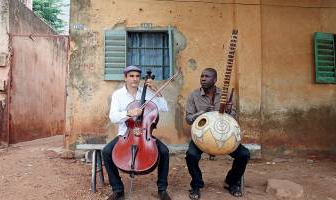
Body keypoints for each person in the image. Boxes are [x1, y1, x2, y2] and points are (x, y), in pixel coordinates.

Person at [103, 65, 171, 200]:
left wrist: (155, 89)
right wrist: (129, 113)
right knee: (106, 152)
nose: (135, 79)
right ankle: (117, 189)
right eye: (131, 76)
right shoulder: (118, 95)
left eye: (137, 76)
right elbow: (113, 117)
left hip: (146, 134)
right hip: (125, 134)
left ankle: (162, 189)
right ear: (125, 78)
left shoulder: (146, 93)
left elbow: (164, 108)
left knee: (164, 152)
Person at [185, 68, 250, 199]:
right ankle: (196, 185)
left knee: (244, 154)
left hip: (224, 137)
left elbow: (234, 120)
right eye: (202, 76)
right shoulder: (194, 95)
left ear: (215, 80)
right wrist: (202, 112)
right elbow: (189, 119)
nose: (203, 78)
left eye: (207, 76)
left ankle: (231, 182)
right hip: (202, 137)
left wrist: (229, 111)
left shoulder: (224, 95)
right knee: (191, 155)